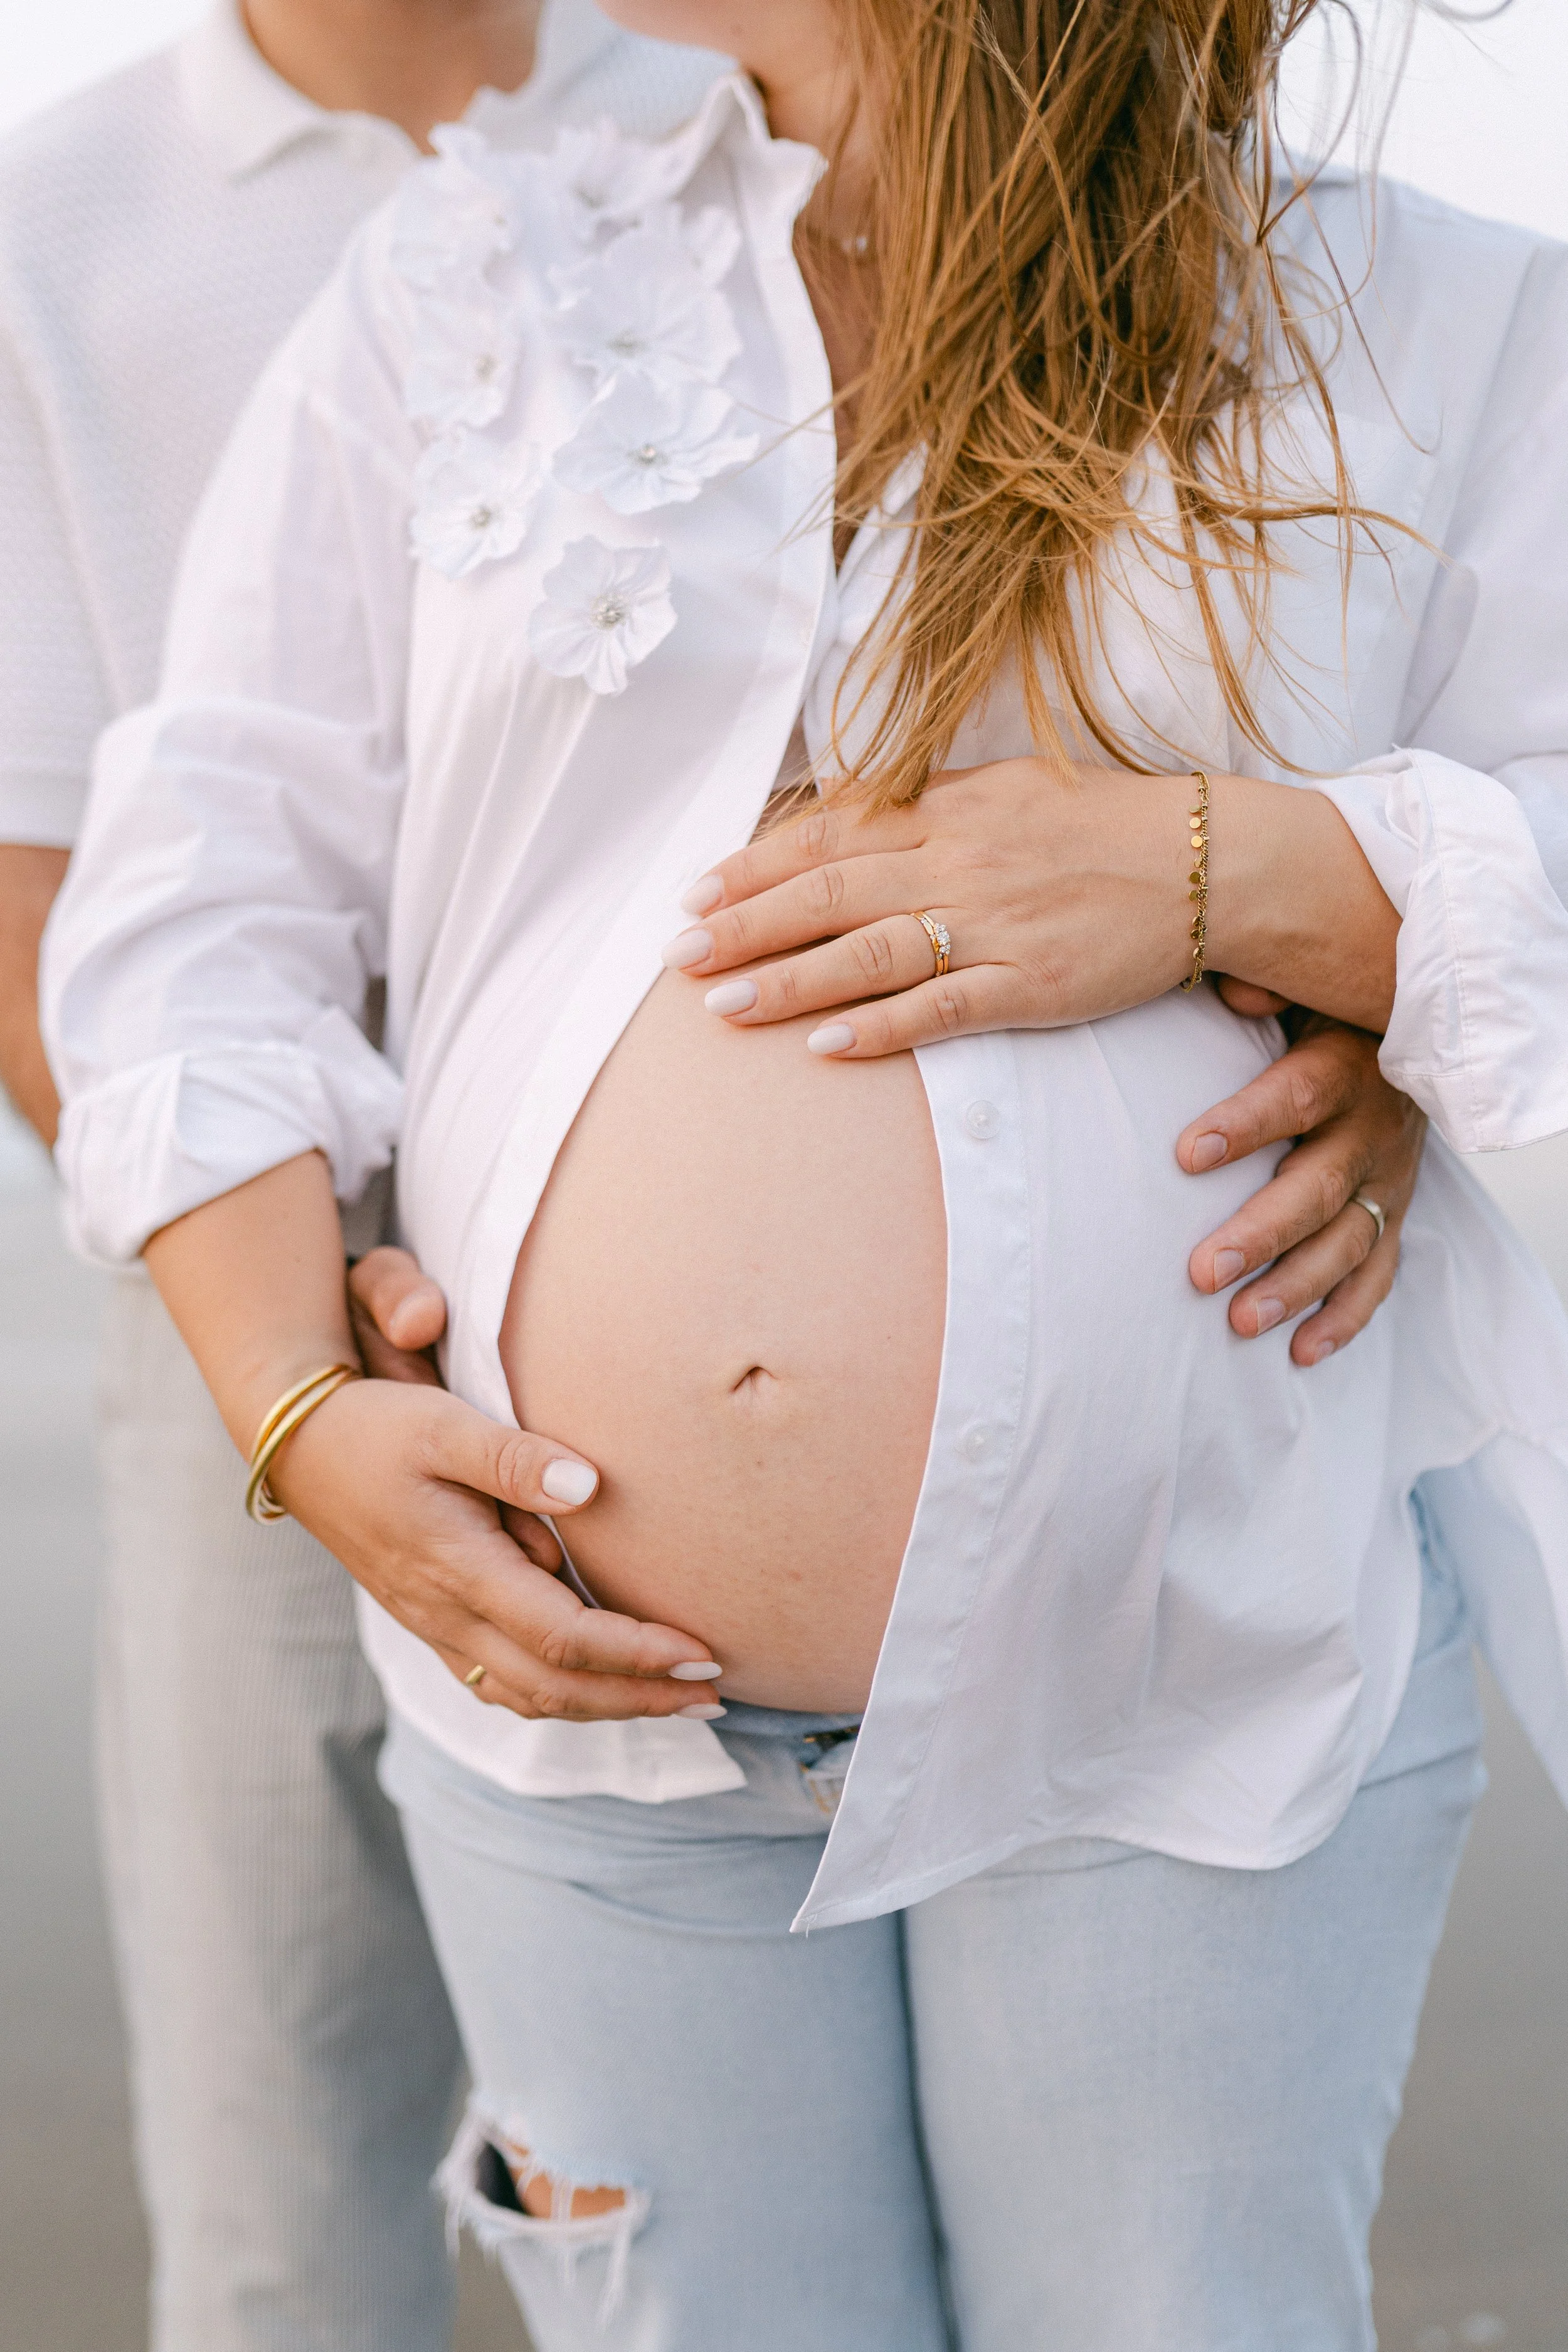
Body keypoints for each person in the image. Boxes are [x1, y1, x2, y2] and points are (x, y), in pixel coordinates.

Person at [40, 0, 1568, 2344]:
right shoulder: (469, 278)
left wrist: (1244, 872)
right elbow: (202, 893)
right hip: (586, 1743)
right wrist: (292, 1399)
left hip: (1176, 1670)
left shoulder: (1433, 322)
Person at [0, 5, 724, 2348]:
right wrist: (301, 1331)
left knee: (693, 2176)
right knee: (285, 2151)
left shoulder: (738, 103)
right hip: (261, 1315)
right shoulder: (47, 222)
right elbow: (33, 877)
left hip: (702, 1301)